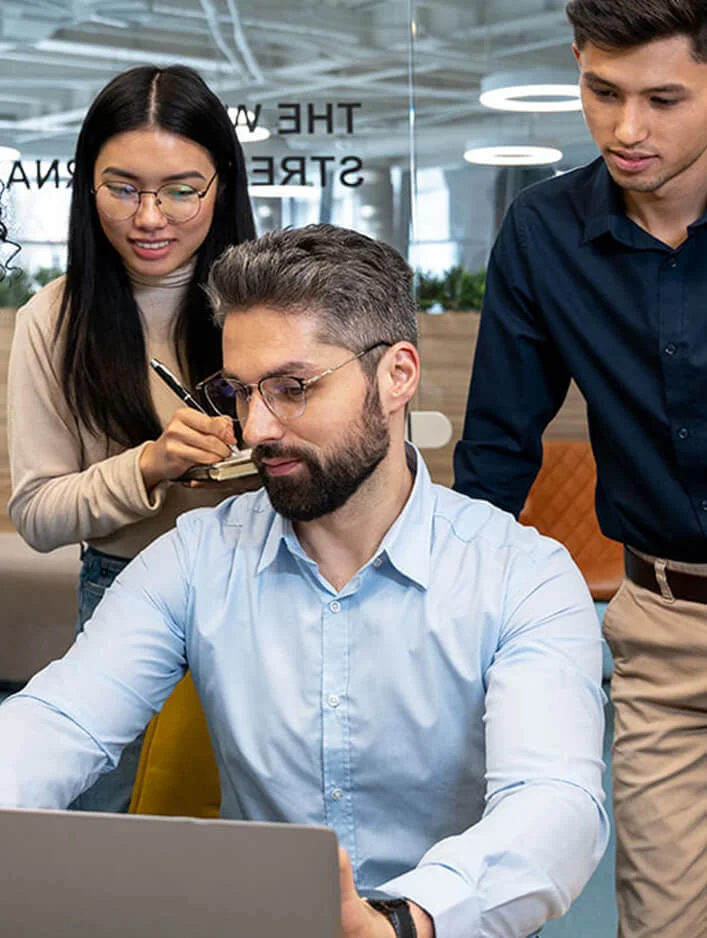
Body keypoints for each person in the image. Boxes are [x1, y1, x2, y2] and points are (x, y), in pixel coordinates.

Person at [0, 224, 607, 938]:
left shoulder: (521, 575)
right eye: (238, 392)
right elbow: (60, 721)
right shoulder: (195, 559)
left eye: (293, 388)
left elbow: (554, 802)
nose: (255, 428)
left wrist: (404, 920)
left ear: (397, 376)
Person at [453, 1, 707, 935]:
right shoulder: (542, 232)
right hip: (662, 630)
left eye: (662, 99)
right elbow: (496, 451)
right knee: (663, 920)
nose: (626, 128)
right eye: (602, 92)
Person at [6, 64, 256, 813]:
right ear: (88, 187)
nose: (150, 217)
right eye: (123, 189)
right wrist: (150, 464)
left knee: (265, 815)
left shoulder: (277, 301)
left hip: (268, 581)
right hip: (123, 588)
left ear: (222, 186)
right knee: (107, 819)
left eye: (181, 190)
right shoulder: (53, 320)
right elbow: (38, 513)